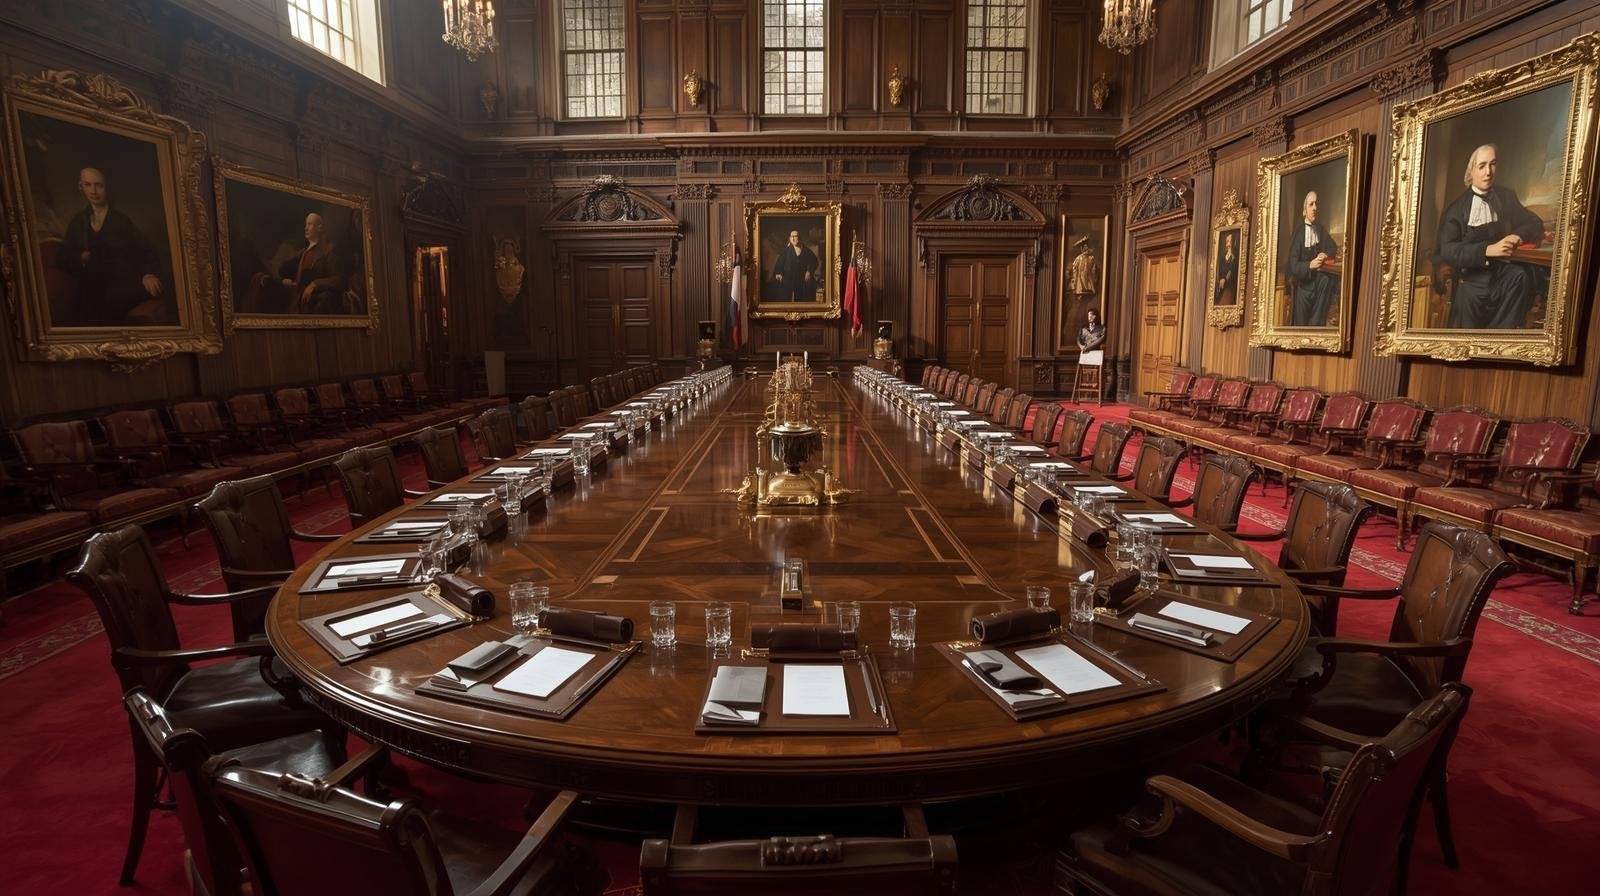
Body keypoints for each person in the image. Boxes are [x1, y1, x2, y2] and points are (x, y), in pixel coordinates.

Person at [1435, 143, 1545, 329]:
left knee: (1519, 276)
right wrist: (1487, 250)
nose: (1488, 172)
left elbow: (1534, 222)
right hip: (1471, 279)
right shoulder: (1456, 210)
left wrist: (1517, 235)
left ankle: (1501, 338)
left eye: (1492, 164)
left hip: (1501, 274)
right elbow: (1448, 250)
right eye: (1482, 166)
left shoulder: (1506, 197)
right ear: (1471, 172)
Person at [52, 167, 171, 326]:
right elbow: (62, 256)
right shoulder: (78, 222)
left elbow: (146, 251)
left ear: (106, 188)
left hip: (122, 285)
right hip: (90, 288)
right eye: (88, 185)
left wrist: (147, 274)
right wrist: (79, 257)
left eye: (99, 185)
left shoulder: (121, 221)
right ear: (81, 187)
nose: (93, 191)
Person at [1285, 190, 1340, 326]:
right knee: (1301, 325)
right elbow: (1293, 266)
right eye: (1311, 204)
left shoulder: (1320, 229)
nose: (1315, 208)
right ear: (1305, 210)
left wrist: (1325, 254)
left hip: (1317, 283)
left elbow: (1333, 247)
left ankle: (1316, 326)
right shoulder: (1298, 234)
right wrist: (1310, 265)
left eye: (1316, 204)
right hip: (1303, 287)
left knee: (1326, 281)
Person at [278, 212, 344, 314]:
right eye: (306, 224)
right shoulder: (303, 252)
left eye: (310, 224)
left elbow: (339, 279)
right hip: (296, 301)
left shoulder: (329, 249)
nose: (306, 228)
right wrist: (286, 280)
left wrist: (314, 285)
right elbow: (283, 269)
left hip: (314, 303)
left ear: (319, 228)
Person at [769, 229, 820, 301]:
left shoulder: (806, 251)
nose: (793, 238)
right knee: (785, 294)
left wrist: (809, 271)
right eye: (791, 236)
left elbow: (814, 261)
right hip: (788, 277)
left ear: (799, 238)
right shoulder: (786, 250)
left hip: (801, 278)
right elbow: (780, 262)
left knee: (802, 296)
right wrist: (778, 272)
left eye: (795, 236)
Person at [1214, 231, 1238, 305]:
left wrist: (1225, 279)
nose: (1228, 244)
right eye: (1227, 241)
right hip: (1222, 287)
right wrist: (1221, 279)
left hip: (1230, 287)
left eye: (1229, 241)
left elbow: (1232, 270)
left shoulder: (1235, 256)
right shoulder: (1223, 257)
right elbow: (1220, 270)